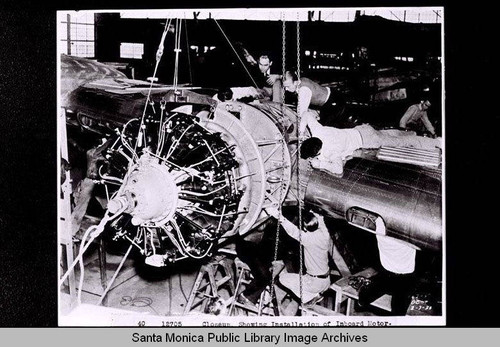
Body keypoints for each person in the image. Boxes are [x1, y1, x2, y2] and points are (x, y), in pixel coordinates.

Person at [299, 111, 442, 176]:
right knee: (390, 134)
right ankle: (411, 133)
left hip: (368, 140)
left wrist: (320, 164)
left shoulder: (331, 151)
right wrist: (300, 132)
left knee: (401, 143)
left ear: (317, 153)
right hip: (361, 129)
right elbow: (306, 114)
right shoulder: (319, 131)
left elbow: (338, 170)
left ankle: (436, 142)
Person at [267, 206, 332, 306]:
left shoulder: (307, 239)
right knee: (295, 277)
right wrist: (312, 213)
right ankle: (313, 294)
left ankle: (310, 297)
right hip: (326, 281)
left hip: (315, 283)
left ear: (305, 228)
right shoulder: (325, 234)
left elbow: (293, 231)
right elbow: (320, 219)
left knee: (282, 279)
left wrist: (279, 216)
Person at [357, 217, 417, 316]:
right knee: (399, 311)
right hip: (405, 278)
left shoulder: (381, 235)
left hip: (387, 275)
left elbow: (379, 219)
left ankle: (361, 302)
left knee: (366, 295)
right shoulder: (409, 240)